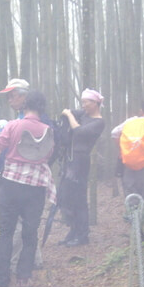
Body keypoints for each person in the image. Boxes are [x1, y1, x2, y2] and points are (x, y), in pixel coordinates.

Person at [0, 90, 55, 287]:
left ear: (25, 106)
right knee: (30, 234)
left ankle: (1, 281)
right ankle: (24, 278)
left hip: (11, 185)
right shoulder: (48, 130)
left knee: (6, 232)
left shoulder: (12, 126)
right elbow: (48, 156)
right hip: (36, 187)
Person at [57, 89, 106, 246]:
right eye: (82, 102)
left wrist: (70, 116)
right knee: (66, 197)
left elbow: (79, 132)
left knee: (79, 199)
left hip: (80, 162)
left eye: (86, 102)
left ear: (95, 103)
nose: (83, 105)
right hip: (69, 160)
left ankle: (82, 235)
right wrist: (67, 113)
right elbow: (68, 112)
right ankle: (74, 229)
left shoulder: (98, 122)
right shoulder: (83, 115)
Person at [112, 100, 144, 238]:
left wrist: (125, 150)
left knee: (132, 198)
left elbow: (114, 133)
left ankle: (136, 229)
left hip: (128, 166)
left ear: (140, 111)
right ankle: (139, 229)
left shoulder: (130, 122)